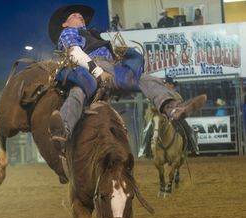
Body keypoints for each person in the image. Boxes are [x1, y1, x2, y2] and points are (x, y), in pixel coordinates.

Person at [47, 4, 206, 153]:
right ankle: (63, 130)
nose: (79, 16)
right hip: (87, 67)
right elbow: (74, 52)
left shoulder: (93, 35)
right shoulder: (69, 32)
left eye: (81, 15)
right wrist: (97, 71)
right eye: (74, 15)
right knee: (78, 92)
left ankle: (172, 108)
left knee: (144, 79)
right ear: (65, 24)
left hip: (110, 69)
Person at [141, 76, 199, 157]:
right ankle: (145, 150)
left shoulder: (176, 95)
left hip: (175, 118)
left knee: (188, 129)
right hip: (160, 118)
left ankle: (191, 147)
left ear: (172, 86)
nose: (167, 85)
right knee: (147, 130)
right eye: (166, 84)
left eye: (169, 84)